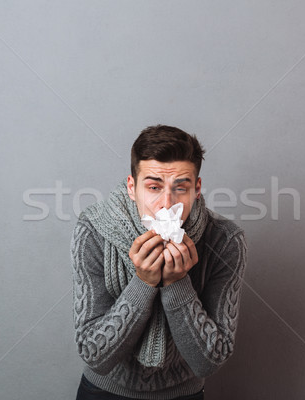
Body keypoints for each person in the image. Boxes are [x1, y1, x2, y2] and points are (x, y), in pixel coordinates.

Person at [71, 125, 248, 399]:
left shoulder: (225, 239)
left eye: (181, 188)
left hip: (184, 393)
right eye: (153, 187)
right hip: (103, 391)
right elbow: (95, 355)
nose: (166, 203)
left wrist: (178, 283)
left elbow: (209, 361)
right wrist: (143, 282)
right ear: (132, 187)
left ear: (196, 189)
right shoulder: (93, 228)